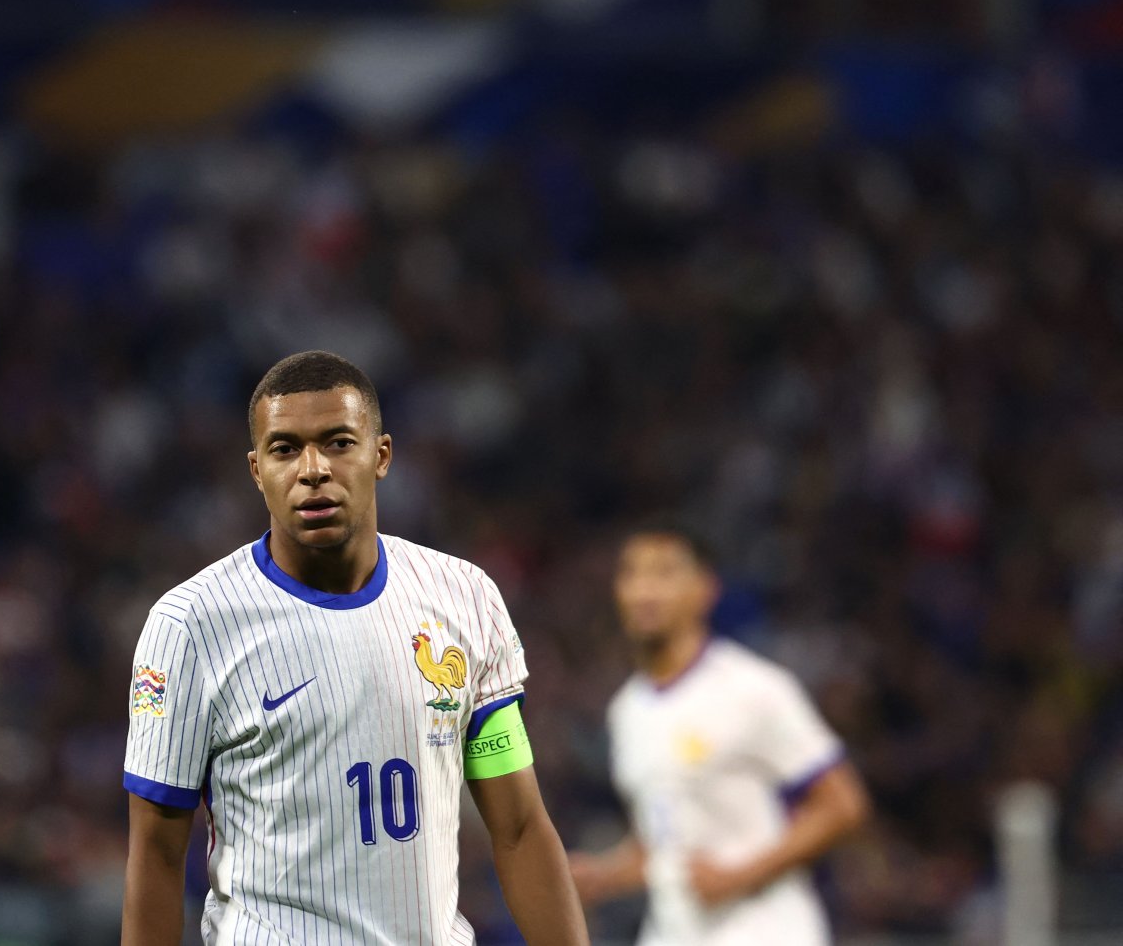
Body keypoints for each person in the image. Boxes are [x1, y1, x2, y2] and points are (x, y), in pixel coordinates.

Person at [122, 350, 590, 945]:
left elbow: (520, 827)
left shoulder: (465, 598)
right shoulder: (190, 625)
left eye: (338, 442)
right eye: (285, 448)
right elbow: (157, 857)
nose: (312, 469)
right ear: (256, 469)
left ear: (381, 455)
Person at [569, 521, 869, 945]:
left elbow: (842, 805)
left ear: (705, 590)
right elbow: (661, 836)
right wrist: (603, 875)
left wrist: (738, 877)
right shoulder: (627, 710)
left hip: (764, 929)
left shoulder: (753, 688)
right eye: (631, 573)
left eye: (663, 573)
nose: (643, 590)